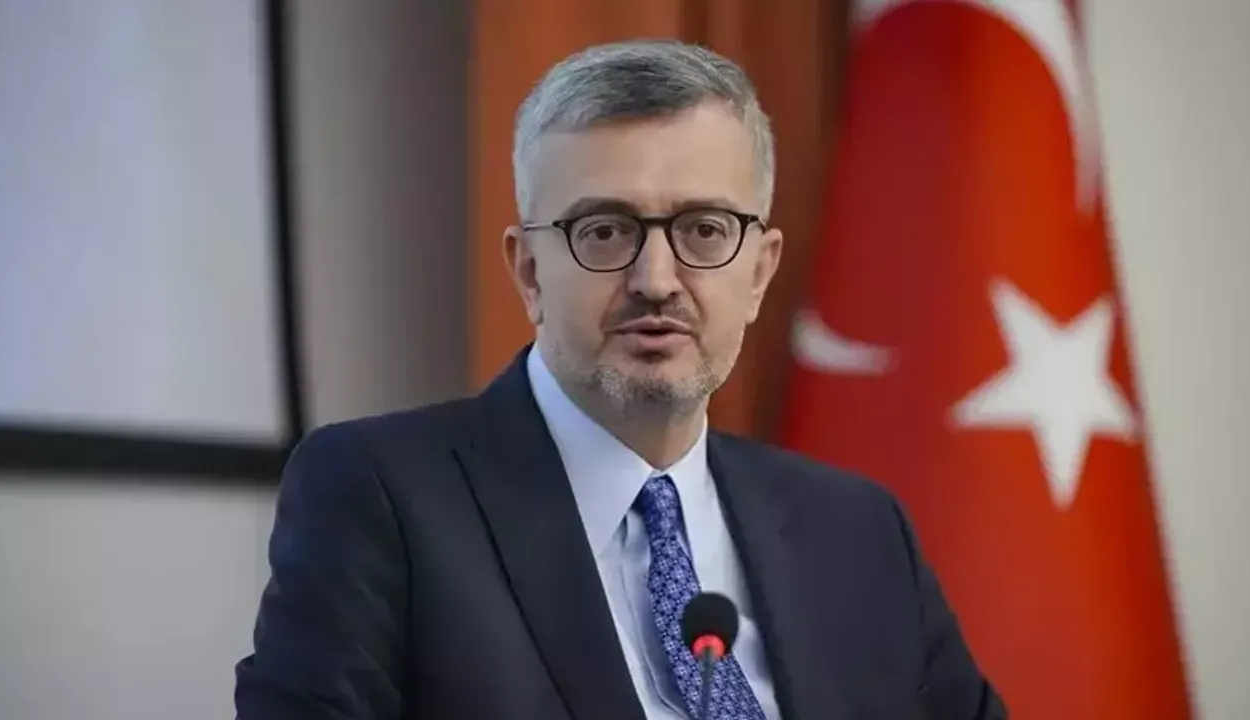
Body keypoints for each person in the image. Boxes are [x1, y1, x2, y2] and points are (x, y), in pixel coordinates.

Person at [234, 39, 1006, 720]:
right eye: (604, 231)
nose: (657, 280)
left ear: (759, 272)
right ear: (529, 272)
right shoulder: (380, 497)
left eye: (704, 230)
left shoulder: (858, 531)